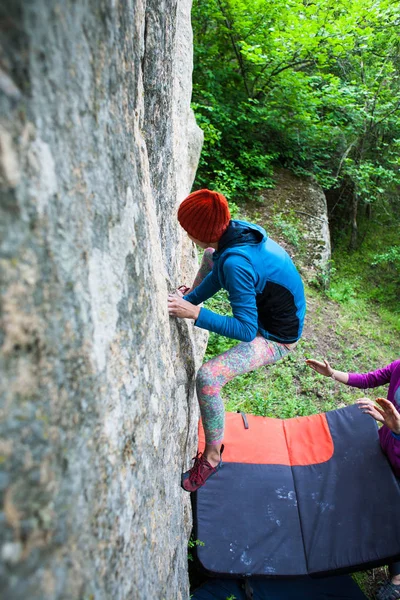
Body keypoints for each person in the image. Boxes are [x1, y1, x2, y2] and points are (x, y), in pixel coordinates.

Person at [168, 189, 306, 492]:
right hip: (273, 311)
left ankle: (213, 458)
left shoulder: (236, 263)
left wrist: (195, 313)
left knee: (208, 378)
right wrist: (190, 299)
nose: (185, 232)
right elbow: (218, 270)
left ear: (201, 232)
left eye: (187, 228)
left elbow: (246, 330)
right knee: (211, 257)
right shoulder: (231, 235)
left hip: (277, 338)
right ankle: (187, 297)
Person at [306, 357, 400, 600]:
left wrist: (398, 430)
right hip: (385, 448)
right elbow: (369, 379)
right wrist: (332, 373)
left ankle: (398, 578)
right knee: (371, 496)